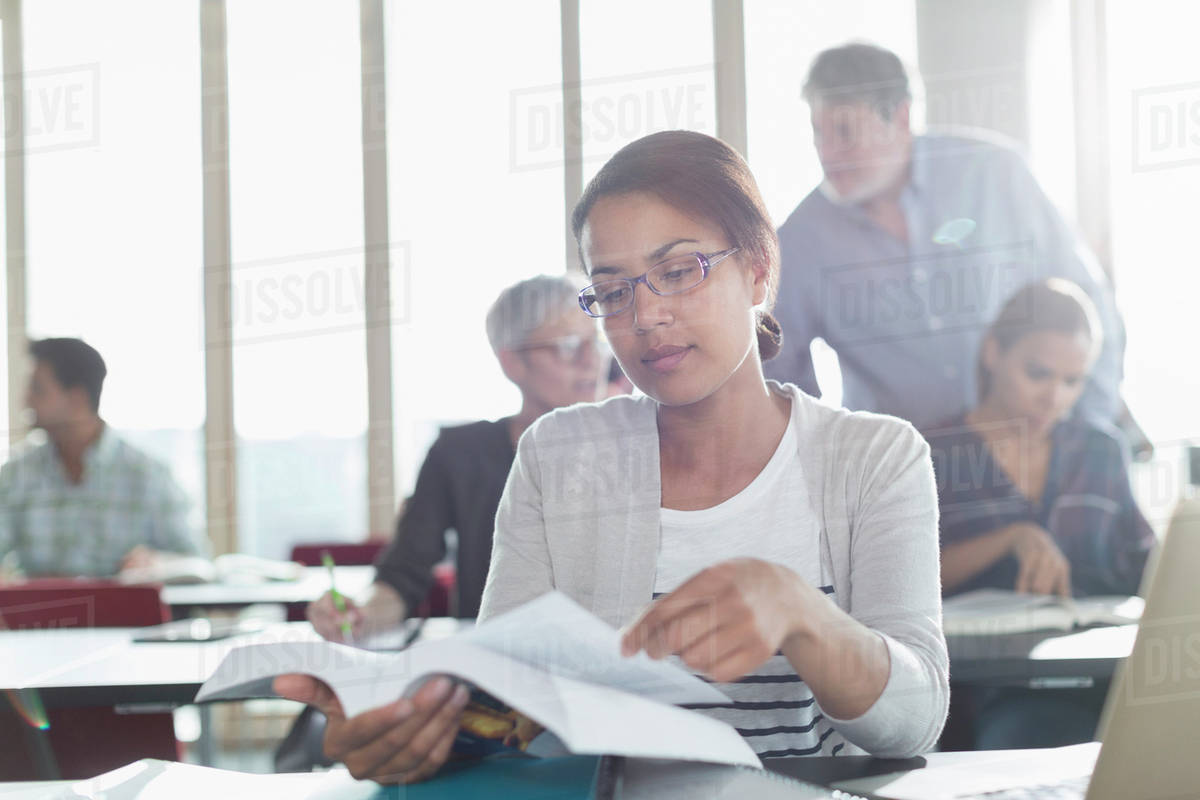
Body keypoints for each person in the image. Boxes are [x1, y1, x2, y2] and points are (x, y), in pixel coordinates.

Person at [276, 131, 948, 784]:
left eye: (679, 272)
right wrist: (404, 734)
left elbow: (914, 722)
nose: (647, 317)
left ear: (758, 271)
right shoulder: (557, 456)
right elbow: (508, 700)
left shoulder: (875, 458)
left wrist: (802, 612)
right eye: (615, 290)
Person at [764, 42, 1126, 433]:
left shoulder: (996, 174)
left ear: (900, 119)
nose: (827, 153)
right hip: (898, 478)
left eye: (845, 132)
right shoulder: (799, 242)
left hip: (1037, 456)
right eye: (819, 133)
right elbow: (779, 383)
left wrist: (1088, 432)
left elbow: (1088, 303)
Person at [307, 275, 609, 641]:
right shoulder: (459, 453)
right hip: (495, 672)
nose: (591, 361)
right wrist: (358, 613)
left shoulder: (636, 446)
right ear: (512, 362)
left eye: (596, 343)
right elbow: (402, 577)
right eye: (567, 346)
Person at [926, 279, 1155, 599]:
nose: (1054, 398)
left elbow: (1149, 568)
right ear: (993, 353)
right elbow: (896, 583)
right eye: (1038, 373)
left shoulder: (1101, 451)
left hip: (1105, 645)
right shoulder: (927, 455)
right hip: (973, 648)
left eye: (1072, 381)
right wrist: (1012, 538)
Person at [0, 338, 199, 578]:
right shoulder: (15, 474)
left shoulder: (148, 476)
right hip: (39, 615)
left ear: (77, 399)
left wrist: (157, 563)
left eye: (38, 389)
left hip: (126, 615)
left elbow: (196, 561)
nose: (26, 399)